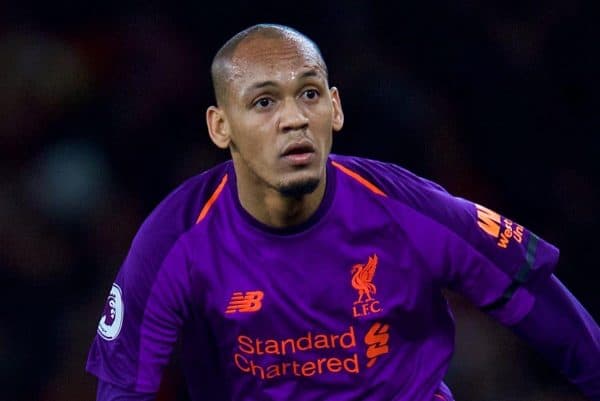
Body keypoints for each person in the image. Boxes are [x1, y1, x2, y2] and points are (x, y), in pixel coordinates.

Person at [86, 23, 600, 401]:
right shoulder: (175, 237)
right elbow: (124, 386)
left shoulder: (408, 210)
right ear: (221, 127)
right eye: (264, 102)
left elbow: (532, 294)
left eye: (308, 94)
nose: (293, 119)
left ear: (334, 108)